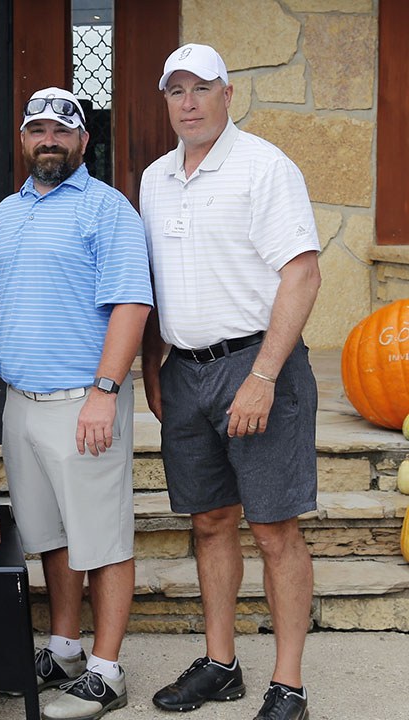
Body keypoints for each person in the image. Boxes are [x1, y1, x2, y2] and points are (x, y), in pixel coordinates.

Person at [0, 87, 151, 720]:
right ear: (23, 140)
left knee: (104, 539)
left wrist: (105, 392)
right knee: (51, 537)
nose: (49, 141)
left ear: (83, 141)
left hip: (83, 402)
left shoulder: (108, 209)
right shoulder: (9, 213)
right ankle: (65, 650)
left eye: (62, 131)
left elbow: (131, 304)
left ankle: (107, 672)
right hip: (21, 401)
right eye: (38, 130)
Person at [140, 43, 321, 720]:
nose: (188, 103)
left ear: (227, 94)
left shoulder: (264, 167)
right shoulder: (155, 179)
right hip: (184, 373)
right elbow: (150, 282)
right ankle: (221, 665)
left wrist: (264, 375)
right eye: (176, 90)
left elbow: (302, 274)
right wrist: (152, 366)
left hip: (258, 366)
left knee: (274, 530)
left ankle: (288, 685)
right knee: (211, 522)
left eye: (201, 88)